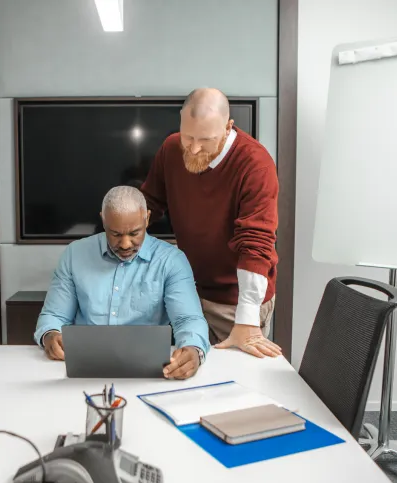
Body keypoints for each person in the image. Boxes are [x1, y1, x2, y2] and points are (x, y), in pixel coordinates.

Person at [140, 88, 282, 359]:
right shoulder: (171, 147)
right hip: (188, 289)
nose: (193, 148)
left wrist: (247, 321)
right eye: (188, 136)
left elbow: (257, 244)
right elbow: (151, 201)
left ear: (228, 127)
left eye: (205, 139)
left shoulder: (256, 164)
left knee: (235, 382)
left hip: (235, 300)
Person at [34, 186, 210, 380]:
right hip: (82, 369)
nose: (125, 244)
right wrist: (50, 334)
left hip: (149, 372)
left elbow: (188, 319)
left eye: (135, 233)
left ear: (147, 218)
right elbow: (54, 315)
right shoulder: (75, 254)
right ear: (103, 220)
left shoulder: (171, 261)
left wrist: (193, 350)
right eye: (115, 234)